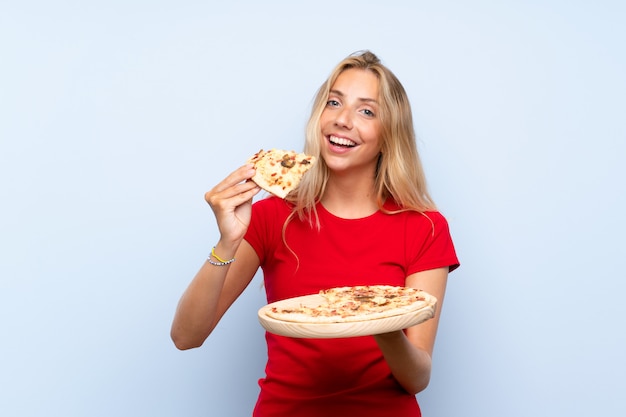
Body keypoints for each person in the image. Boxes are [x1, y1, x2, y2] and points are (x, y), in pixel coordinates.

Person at [171, 50, 460, 416]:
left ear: (389, 135)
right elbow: (186, 336)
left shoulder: (425, 228)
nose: (343, 120)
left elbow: (417, 378)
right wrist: (227, 241)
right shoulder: (270, 217)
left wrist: (384, 325)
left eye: (366, 111)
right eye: (334, 102)